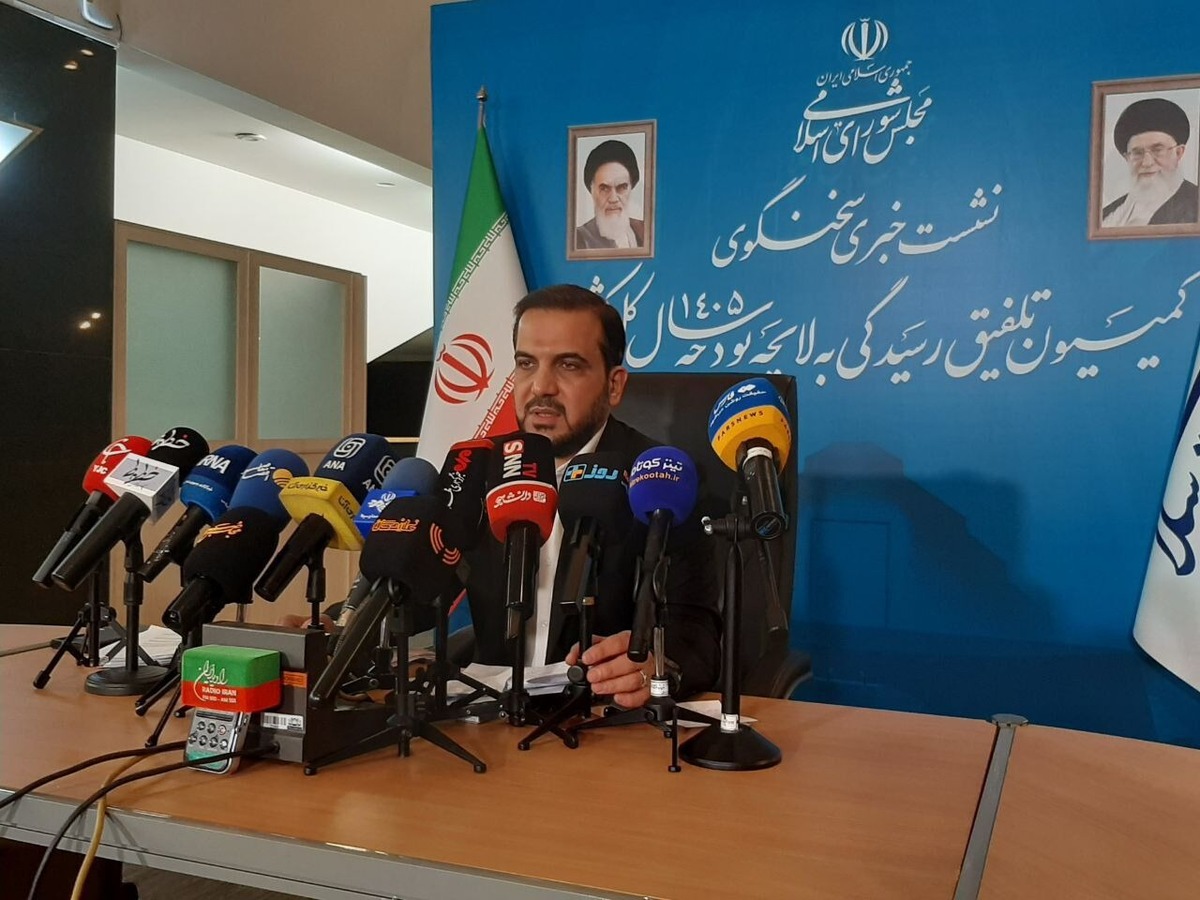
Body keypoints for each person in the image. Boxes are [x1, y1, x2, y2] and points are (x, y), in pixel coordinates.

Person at [461, 284, 721, 707]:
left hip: (599, 718)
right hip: (491, 721)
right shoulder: (478, 470)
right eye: (526, 364)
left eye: (568, 365)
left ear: (614, 385)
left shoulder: (660, 480)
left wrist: (656, 666)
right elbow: (418, 583)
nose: (541, 387)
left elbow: (696, 632)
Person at [1102, 97, 1200, 227]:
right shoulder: (1107, 215)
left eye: (1157, 150)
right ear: (1127, 158)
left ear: (1178, 153)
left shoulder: (1195, 204)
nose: (1147, 163)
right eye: (1138, 153)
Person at [574, 139, 646, 251]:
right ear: (592, 190)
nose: (613, 199)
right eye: (604, 189)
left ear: (631, 188)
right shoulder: (578, 239)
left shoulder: (644, 230)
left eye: (621, 188)